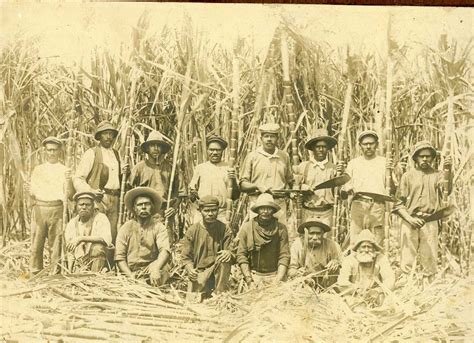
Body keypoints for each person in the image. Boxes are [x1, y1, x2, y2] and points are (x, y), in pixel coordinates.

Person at [394, 141, 452, 282]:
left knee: (430, 258)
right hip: (410, 220)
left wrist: (448, 170)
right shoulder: (407, 176)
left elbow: (447, 190)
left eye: (428, 156)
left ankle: (429, 290)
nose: (425, 159)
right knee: (407, 258)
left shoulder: (438, 175)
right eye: (421, 156)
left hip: (430, 221)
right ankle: (407, 289)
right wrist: (410, 219)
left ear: (433, 158)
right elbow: (398, 204)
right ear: (415, 158)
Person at [73, 120, 127, 244]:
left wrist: (125, 172)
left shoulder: (117, 155)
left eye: (111, 134)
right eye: (105, 133)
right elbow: (78, 178)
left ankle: (109, 262)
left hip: (115, 198)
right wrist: (91, 192)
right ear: (99, 136)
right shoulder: (91, 153)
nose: (109, 137)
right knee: (97, 231)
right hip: (98, 199)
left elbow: (119, 179)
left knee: (112, 234)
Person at [342, 130, 394, 246]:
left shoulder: (384, 162)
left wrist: (391, 170)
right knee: (356, 240)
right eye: (365, 144)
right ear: (360, 146)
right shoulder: (353, 164)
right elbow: (346, 187)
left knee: (377, 240)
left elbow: (392, 188)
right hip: (358, 204)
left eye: (371, 143)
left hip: (377, 205)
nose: (368, 146)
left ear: (377, 144)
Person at [29, 136, 72, 275]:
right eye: (49, 150)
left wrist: (69, 180)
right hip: (40, 208)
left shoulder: (65, 170)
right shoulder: (38, 169)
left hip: (57, 208)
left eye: (54, 150)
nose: (52, 153)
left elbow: (69, 194)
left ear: (60, 151)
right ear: (45, 151)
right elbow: (33, 192)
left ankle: (55, 272)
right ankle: (35, 271)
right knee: (37, 242)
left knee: (56, 243)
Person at [115, 187, 171, 286]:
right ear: (134, 208)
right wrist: (130, 275)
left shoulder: (159, 227)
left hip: (150, 269)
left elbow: (165, 251)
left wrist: (156, 269)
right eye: (140, 204)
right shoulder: (126, 228)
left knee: (164, 269)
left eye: (147, 204)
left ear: (152, 207)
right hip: (130, 270)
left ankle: (156, 290)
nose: (144, 207)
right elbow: (120, 257)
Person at [240, 123, 294, 225]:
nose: (269, 139)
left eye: (272, 136)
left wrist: (292, 192)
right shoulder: (252, 156)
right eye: (266, 136)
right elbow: (243, 184)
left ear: (277, 138)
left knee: (279, 235)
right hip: (257, 203)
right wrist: (257, 186)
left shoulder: (284, 156)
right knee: (256, 235)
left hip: (278, 203)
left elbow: (290, 181)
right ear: (261, 138)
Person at [181, 196, 233, 298]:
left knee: (224, 259)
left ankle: (219, 294)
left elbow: (232, 250)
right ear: (200, 211)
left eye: (213, 210)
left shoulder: (224, 229)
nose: (210, 214)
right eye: (206, 210)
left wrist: (229, 252)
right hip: (199, 273)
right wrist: (190, 269)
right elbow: (185, 257)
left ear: (218, 210)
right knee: (193, 300)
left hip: (218, 272)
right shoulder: (192, 230)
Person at [237, 193, 290, 287]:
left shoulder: (281, 229)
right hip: (253, 276)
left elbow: (284, 255)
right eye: (262, 208)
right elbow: (242, 255)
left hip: (275, 276)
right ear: (257, 210)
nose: (265, 211)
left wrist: (278, 279)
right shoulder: (247, 228)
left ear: (273, 210)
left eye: (269, 208)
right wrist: (249, 280)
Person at [189, 135, 239, 223]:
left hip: (222, 214)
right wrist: (194, 196)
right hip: (203, 213)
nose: (215, 152)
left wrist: (233, 180)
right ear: (207, 150)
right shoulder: (200, 168)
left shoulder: (229, 168)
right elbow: (192, 192)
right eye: (211, 150)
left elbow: (235, 195)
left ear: (222, 151)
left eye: (218, 150)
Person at [129, 130, 177, 221]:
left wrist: (173, 208)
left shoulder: (171, 168)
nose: (156, 148)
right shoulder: (139, 168)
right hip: (144, 213)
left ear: (163, 148)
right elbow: (128, 190)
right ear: (147, 148)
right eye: (152, 145)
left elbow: (180, 192)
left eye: (159, 145)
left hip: (165, 213)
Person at [337, 230, 395, 306]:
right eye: (363, 247)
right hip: (354, 295)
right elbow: (342, 281)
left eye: (369, 247)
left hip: (375, 295)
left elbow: (390, 279)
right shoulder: (349, 260)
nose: (366, 250)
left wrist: (378, 291)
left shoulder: (381, 259)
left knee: (389, 301)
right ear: (358, 249)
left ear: (374, 249)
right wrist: (356, 290)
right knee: (348, 302)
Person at [296, 128, 339, 225]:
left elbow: (339, 192)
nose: (321, 149)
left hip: (327, 212)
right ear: (313, 149)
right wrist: (304, 187)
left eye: (323, 147)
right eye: (318, 147)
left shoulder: (333, 168)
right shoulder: (303, 166)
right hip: (308, 211)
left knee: (326, 239)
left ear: (327, 149)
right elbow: (294, 186)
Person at [65, 192, 112, 272]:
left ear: (93, 206)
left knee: (97, 248)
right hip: (80, 263)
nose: (84, 207)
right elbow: (70, 250)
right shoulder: (72, 224)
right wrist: (69, 272)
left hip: (98, 261)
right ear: (76, 206)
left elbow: (105, 239)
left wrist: (81, 238)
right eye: (81, 204)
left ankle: (95, 277)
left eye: (88, 205)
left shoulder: (101, 218)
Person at [288, 218, 342, 288]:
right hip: (305, 282)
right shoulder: (297, 245)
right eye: (311, 233)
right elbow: (291, 270)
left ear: (323, 234)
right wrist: (297, 272)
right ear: (305, 234)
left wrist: (336, 262)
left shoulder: (333, 245)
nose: (315, 237)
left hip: (327, 283)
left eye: (318, 233)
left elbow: (344, 265)